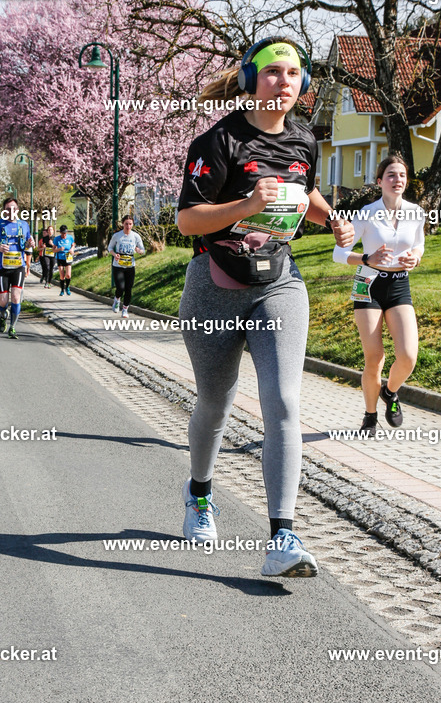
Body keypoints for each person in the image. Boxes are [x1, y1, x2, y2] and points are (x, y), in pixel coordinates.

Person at [176, 36, 354, 578]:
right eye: (273, 72)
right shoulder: (218, 141)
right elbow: (187, 220)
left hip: (279, 283)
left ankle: (283, 535)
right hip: (214, 286)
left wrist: (331, 218)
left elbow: (307, 194)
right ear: (251, 79)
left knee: (282, 402)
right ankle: (200, 494)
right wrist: (247, 206)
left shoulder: (304, 139)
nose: (285, 81)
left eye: (294, 73)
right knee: (215, 401)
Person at [332, 154, 425, 434]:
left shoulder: (416, 212)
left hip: (398, 284)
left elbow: (419, 245)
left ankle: (390, 391)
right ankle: (370, 416)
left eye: (402, 176)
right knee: (374, 357)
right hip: (367, 284)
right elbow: (339, 253)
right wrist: (366, 259)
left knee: (408, 356)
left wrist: (415, 259)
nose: (398, 180)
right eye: (391, 175)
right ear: (380, 181)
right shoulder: (366, 213)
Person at [0, 196, 34, 338]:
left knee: (15, 297)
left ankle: (13, 327)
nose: (11, 211)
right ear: (4, 211)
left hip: (19, 266)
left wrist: (30, 244)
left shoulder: (24, 225)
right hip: (2, 267)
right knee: (3, 300)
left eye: (14, 208)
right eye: (8, 209)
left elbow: (26, 244)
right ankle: (3, 315)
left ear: (18, 210)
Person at [107, 216, 145, 317]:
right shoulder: (117, 236)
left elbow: (143, 250)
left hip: (130, 265)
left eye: (130, 224)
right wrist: (115, 254)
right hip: (118, 265)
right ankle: (117, 299)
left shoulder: (136, 236)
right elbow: (110, 248)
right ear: (123, 224)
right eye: (126, 224)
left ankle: (125, 310)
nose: (128, 226)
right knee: (120, 287)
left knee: (128, 288)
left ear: (133, 225)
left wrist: (139, 251)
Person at [53, 224, 75, 296]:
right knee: (62, 275)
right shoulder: (57, 239)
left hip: (68, 256)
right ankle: (62, 290)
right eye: (62, 233)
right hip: (60, 257)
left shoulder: (70, 238)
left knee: (68, 275)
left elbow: (73, 244)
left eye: (65, 233)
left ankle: (67, 287)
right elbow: (53, 250)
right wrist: (59, 249)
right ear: (60, 233)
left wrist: (72, 249)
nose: (64, 235)